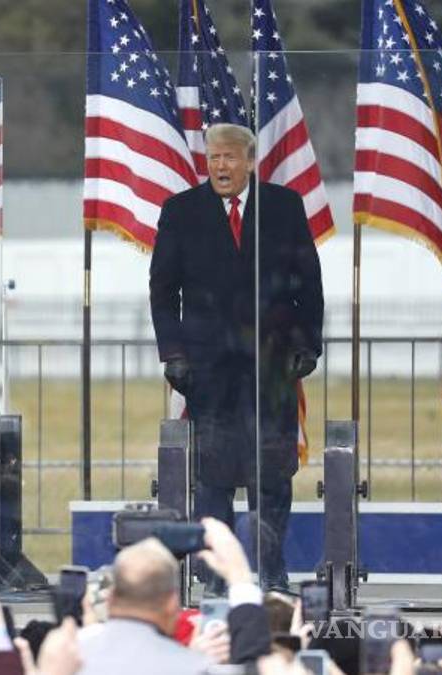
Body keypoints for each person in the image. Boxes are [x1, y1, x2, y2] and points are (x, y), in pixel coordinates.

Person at [149, 122, 324, 593]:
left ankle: (271, 573)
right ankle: (217, 578)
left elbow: (309, 283)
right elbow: (162, 292)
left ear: (250, 161)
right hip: (208, 371)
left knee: (271, 473)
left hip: (272, 366)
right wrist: (174, 354)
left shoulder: (284, 207)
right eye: (214, 158)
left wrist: (308, 344)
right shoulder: (181, 211)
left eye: (230, 157)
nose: (221, 166)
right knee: (215, 478)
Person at [76, 518, 270, 675]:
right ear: (172, 605)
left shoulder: (69, 655)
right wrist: (240, 577)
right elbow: (252, 667)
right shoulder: (195, 667)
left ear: (110, 599)